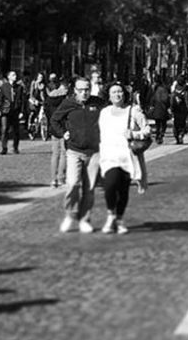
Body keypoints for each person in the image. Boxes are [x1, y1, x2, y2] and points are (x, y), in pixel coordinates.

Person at [51, 77, 105, 233]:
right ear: (75, 90)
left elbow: (111, 115)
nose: (84, 93)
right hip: (74, 151)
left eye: (87, 89)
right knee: (73, 184)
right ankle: (70, 214)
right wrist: (63, 134)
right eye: (81, 90)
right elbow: (54, 120)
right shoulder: (68, 103)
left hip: (94, 152)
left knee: (89, 189)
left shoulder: (98, 103)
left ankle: (84, 219)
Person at [97, 83, 149, 235]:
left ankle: (119, 219)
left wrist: (134, 134)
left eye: (120, 92)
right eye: (114, 92)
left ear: (124, 94)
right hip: (109, 157)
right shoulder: (105, 112)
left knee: (123, 189)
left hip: (128, 158)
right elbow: (102, 134)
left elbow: (146, 129)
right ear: (109, 95)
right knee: (110, 185)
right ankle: (110, 215)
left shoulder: (133, 111)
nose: (117, 95)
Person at [44, 75, 69, 188]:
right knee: (64, 153)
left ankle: (53, 179)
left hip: (54, 127)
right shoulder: (66, 99)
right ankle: (61, 178)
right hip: (65, 128)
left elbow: (47, 112)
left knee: (55, 153)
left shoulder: (50, 98)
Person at [0, 70, 26, 155]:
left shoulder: (19, 87)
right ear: (9, 77)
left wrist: (22, 112)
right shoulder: (4, 86)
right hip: (6, 111)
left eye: (15, 75)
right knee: (4, 129)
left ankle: (15, 147)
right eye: (13, 75)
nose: (15, 76)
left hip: (15, 111)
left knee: (16, 130)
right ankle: (4, 148)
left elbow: (23, 101)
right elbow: (0, 99)